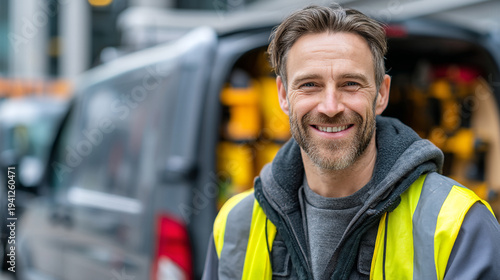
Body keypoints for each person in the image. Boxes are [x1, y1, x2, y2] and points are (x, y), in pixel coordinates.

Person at [202, 4, 500, 280]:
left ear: (381, 94)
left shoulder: (459, 224)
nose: (330, 107)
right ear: (283, 95)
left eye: (350, 84)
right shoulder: (234, 225)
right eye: (310, 85)